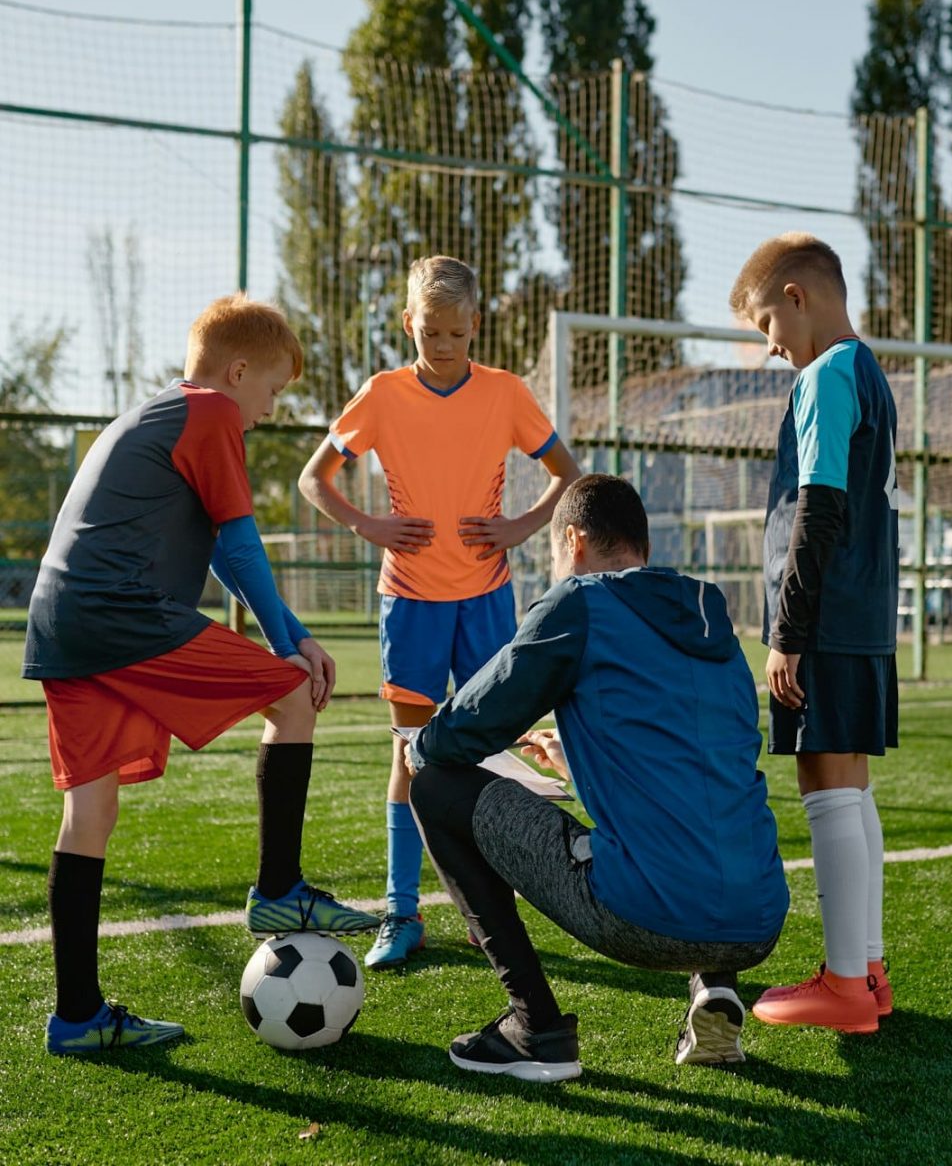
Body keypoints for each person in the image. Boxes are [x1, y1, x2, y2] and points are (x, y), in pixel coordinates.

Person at [22, 294, 379, 1056]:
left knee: (89, 816)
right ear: (239, 370)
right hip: (118, 610)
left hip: (61, 618)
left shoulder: (155, 413)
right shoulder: (211, 412)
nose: (266, 412)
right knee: (292, 696)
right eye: (274, 392)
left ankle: (76, 1017)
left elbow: (217, 551)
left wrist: (297, 631)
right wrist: (292, 646)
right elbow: (245, 551)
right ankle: (280, 892)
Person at [403, 473, 790, 1082]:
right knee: (704, 804)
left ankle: (535, 1027)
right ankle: (715, 985)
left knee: (432, 785)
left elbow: (469, 725)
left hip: (644, 917)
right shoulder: (709, 617)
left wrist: (419, 744)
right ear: (644, 549)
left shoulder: (579, 602)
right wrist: (581, 758)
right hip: (760, 918)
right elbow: (690, 757)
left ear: (574, 541)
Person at [299, 256, 579, 970]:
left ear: (475, 326)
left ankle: (500, 903)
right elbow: (314, 479)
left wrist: (521, 526)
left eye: (456, 332)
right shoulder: (382, 395)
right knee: (409, 756)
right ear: (408, 325)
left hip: (487, 596)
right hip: (412, 602)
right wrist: (370, 525)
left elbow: (569, 476)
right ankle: (402, 911)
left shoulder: (507, 393)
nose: (445, 344)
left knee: (493, 750)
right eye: (431, 333)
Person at [728, 232, 899, 1034]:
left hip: (824, 621)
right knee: (852, 785)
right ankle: (865, 968)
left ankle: (842, 986)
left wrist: (787, 632)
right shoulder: (866, 370)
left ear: (796, 296)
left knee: (826, 785)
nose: (770, 346)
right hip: (859, 616)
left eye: (766, 323)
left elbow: (819, 508)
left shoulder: (827, 374)